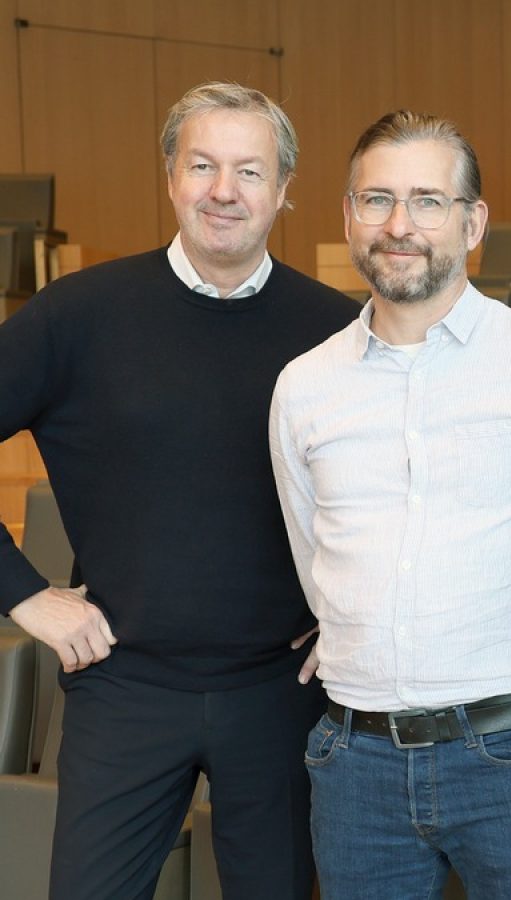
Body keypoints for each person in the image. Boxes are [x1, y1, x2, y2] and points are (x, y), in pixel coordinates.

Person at [0, 82, 355, 899]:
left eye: (249, 171)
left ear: (285, 191)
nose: (223, 190)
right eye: (202, 165)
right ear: (170, 177)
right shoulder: (76, 315)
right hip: (123, 685)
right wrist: (24, 596)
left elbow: (398, 500)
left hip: (282, 693)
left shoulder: (338, 333)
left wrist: (354, 618)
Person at [269, 110, 511, 900]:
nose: (399, 225)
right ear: (348, 216)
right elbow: (311, 553)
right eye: (376, 200)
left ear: (473, 221)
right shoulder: (304, 386)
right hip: (355, 765)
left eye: (427, 200)